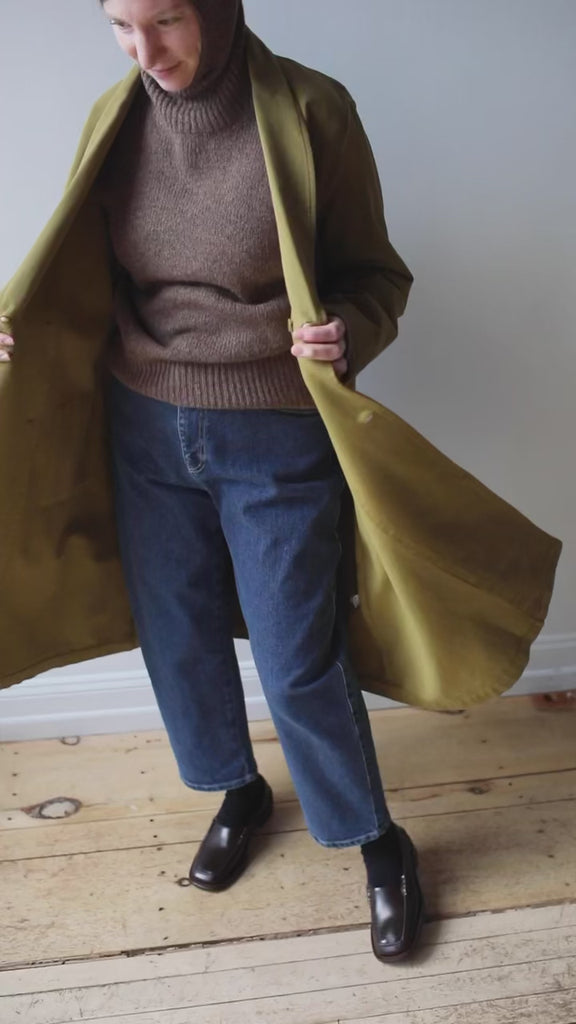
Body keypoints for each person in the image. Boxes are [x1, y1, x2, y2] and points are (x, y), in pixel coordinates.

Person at [1, 0, 423, 962]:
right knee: (177, 637)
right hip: (143, 427)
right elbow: (82, 274)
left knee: (297, 655)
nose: (145, 51)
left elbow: (377, 276)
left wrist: (349, 331)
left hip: (275, 432)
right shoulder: (115, 117)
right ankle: (238, 791)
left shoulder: (312, 111)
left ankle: (377, 842)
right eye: (120, 24)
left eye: (166, 20)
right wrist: (23, 323)